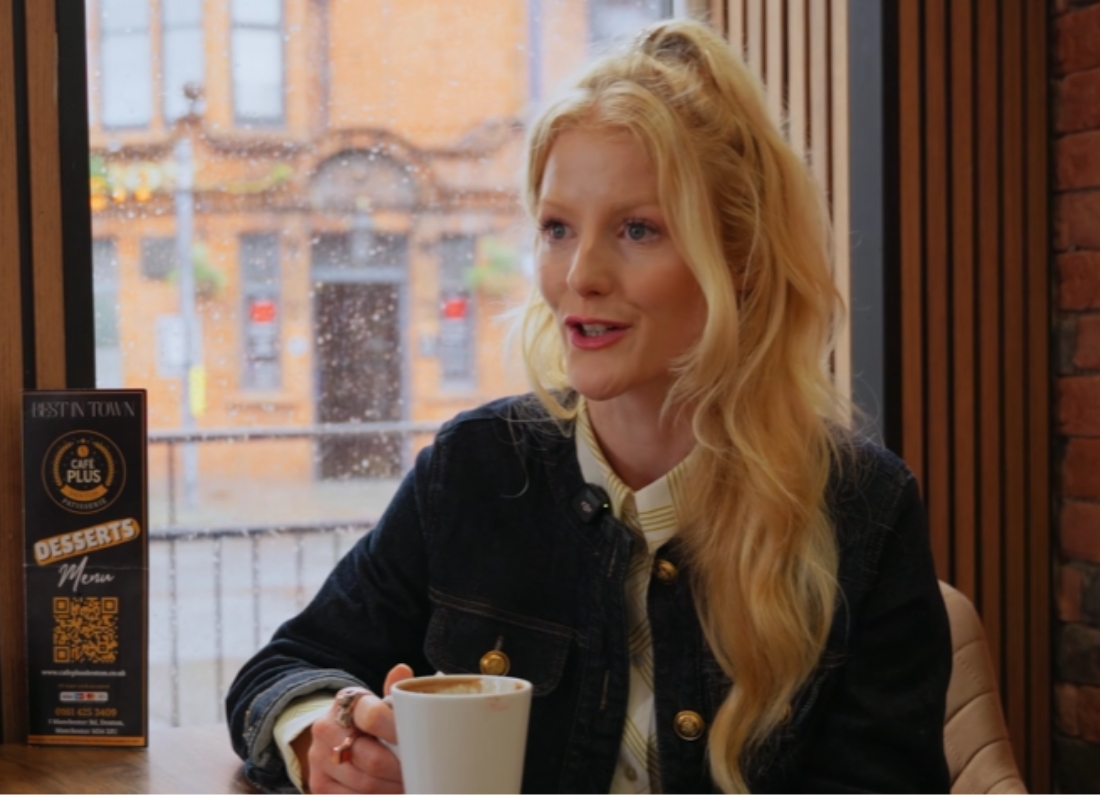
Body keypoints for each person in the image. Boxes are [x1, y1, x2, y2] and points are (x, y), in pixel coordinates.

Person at [227, 18, 951, 794]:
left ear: (739, 256)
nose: (580, 275)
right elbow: (283, 669)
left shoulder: (863, 509)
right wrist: (323, 737)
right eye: (558, 228)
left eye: (637, 229)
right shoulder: (477, 469)